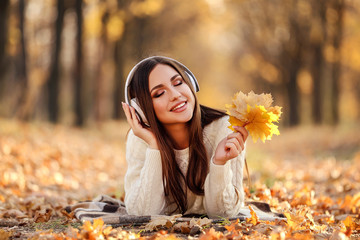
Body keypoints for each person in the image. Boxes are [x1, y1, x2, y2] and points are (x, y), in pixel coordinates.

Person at [121, 56, 248, 218]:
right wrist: (154, 146)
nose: (175, 94)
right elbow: (143, 214)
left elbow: (224, 213)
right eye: (159, 93)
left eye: (178, 83)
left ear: (191, 84)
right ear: (141, 110)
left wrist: (219, 163)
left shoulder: (226, 128)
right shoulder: (140, 138)